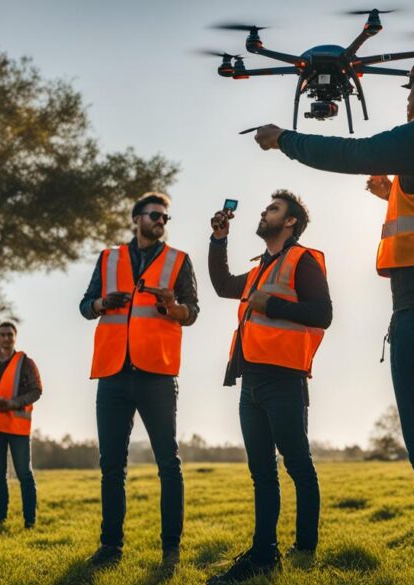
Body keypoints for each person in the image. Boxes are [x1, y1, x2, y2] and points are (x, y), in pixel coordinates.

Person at [252, 46, 414, 585]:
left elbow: (356, 152)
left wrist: (285, 140)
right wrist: (393, 194)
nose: (408, 96)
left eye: (411, 84)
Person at [204, 191, 332, 583]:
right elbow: (224, 284)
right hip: (252, 382)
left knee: (297, 466)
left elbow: (324, 314)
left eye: (273, 209)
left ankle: (305, 548)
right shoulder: (260, 267)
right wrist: (219, 240)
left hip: (285, 381)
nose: (264, 212)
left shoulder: (303, 260)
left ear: (290, 222)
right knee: (261, 472)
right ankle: (264, 555)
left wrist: (270, 305)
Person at [79, 191, 200, 569]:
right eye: (155, 215)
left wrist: (171, 306)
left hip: (158, 374)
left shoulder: (178, 261)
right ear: (137, 218)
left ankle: (171, 550)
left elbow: (192, 311)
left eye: (166, 217)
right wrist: (102, 304)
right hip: (113, 374)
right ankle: (111, 547)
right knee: (111, 466)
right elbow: (85, 306)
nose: (161, 221)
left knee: (169, 463)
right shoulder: (108, 258)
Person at [0, 321, 43, 529]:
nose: (6, 338)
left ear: (15, 337)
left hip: (17, 426)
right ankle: (1, 520)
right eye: (3, 335)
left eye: (10, 334)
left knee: (24, 474)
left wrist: (13, 404)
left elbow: (37, 391)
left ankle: (30, 522)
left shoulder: (26, 362)